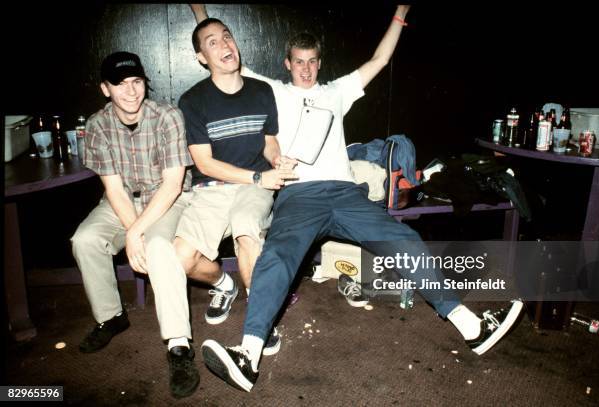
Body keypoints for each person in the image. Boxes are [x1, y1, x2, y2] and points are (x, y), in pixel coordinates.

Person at [193, 4, 525, 393]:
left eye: (312, 62)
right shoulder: (271, 91)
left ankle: (471, 326)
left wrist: (400, 12)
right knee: (277, 255)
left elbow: (381, 58)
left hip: (346, 193)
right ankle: (248, 357)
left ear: (319, 64)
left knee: (404, 241)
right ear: (287, 64)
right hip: (299, 194)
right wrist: (200, 11)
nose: (305, 69)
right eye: (298, 62)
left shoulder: (337, 91)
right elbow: (224, 59)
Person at [71, 51, 202, 399]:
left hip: (167, 198)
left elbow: (173, 184)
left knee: (159, 248)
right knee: (85, 239)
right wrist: (133, 230)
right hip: (123, 200)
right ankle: (112, 316)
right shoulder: (97, 125)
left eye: (137, 82)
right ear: (105, 88)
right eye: (120, 84)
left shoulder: (168, 116)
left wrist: (136, 234)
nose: (131, 91)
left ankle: (178, 345)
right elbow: (113, 188)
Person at [170, 14, 298, 356]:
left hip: (253, 187)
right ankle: (223, 284)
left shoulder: (261, 91)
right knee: (181, 259)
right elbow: (204, 163)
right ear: (201, 57)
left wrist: (276, 161)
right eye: (213, 42)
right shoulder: (193, 100)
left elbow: (269, 142)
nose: (225, 45)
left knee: (245, 229)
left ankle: (260, 320)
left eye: (227, 37)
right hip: (211, 188)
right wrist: (258, 175)